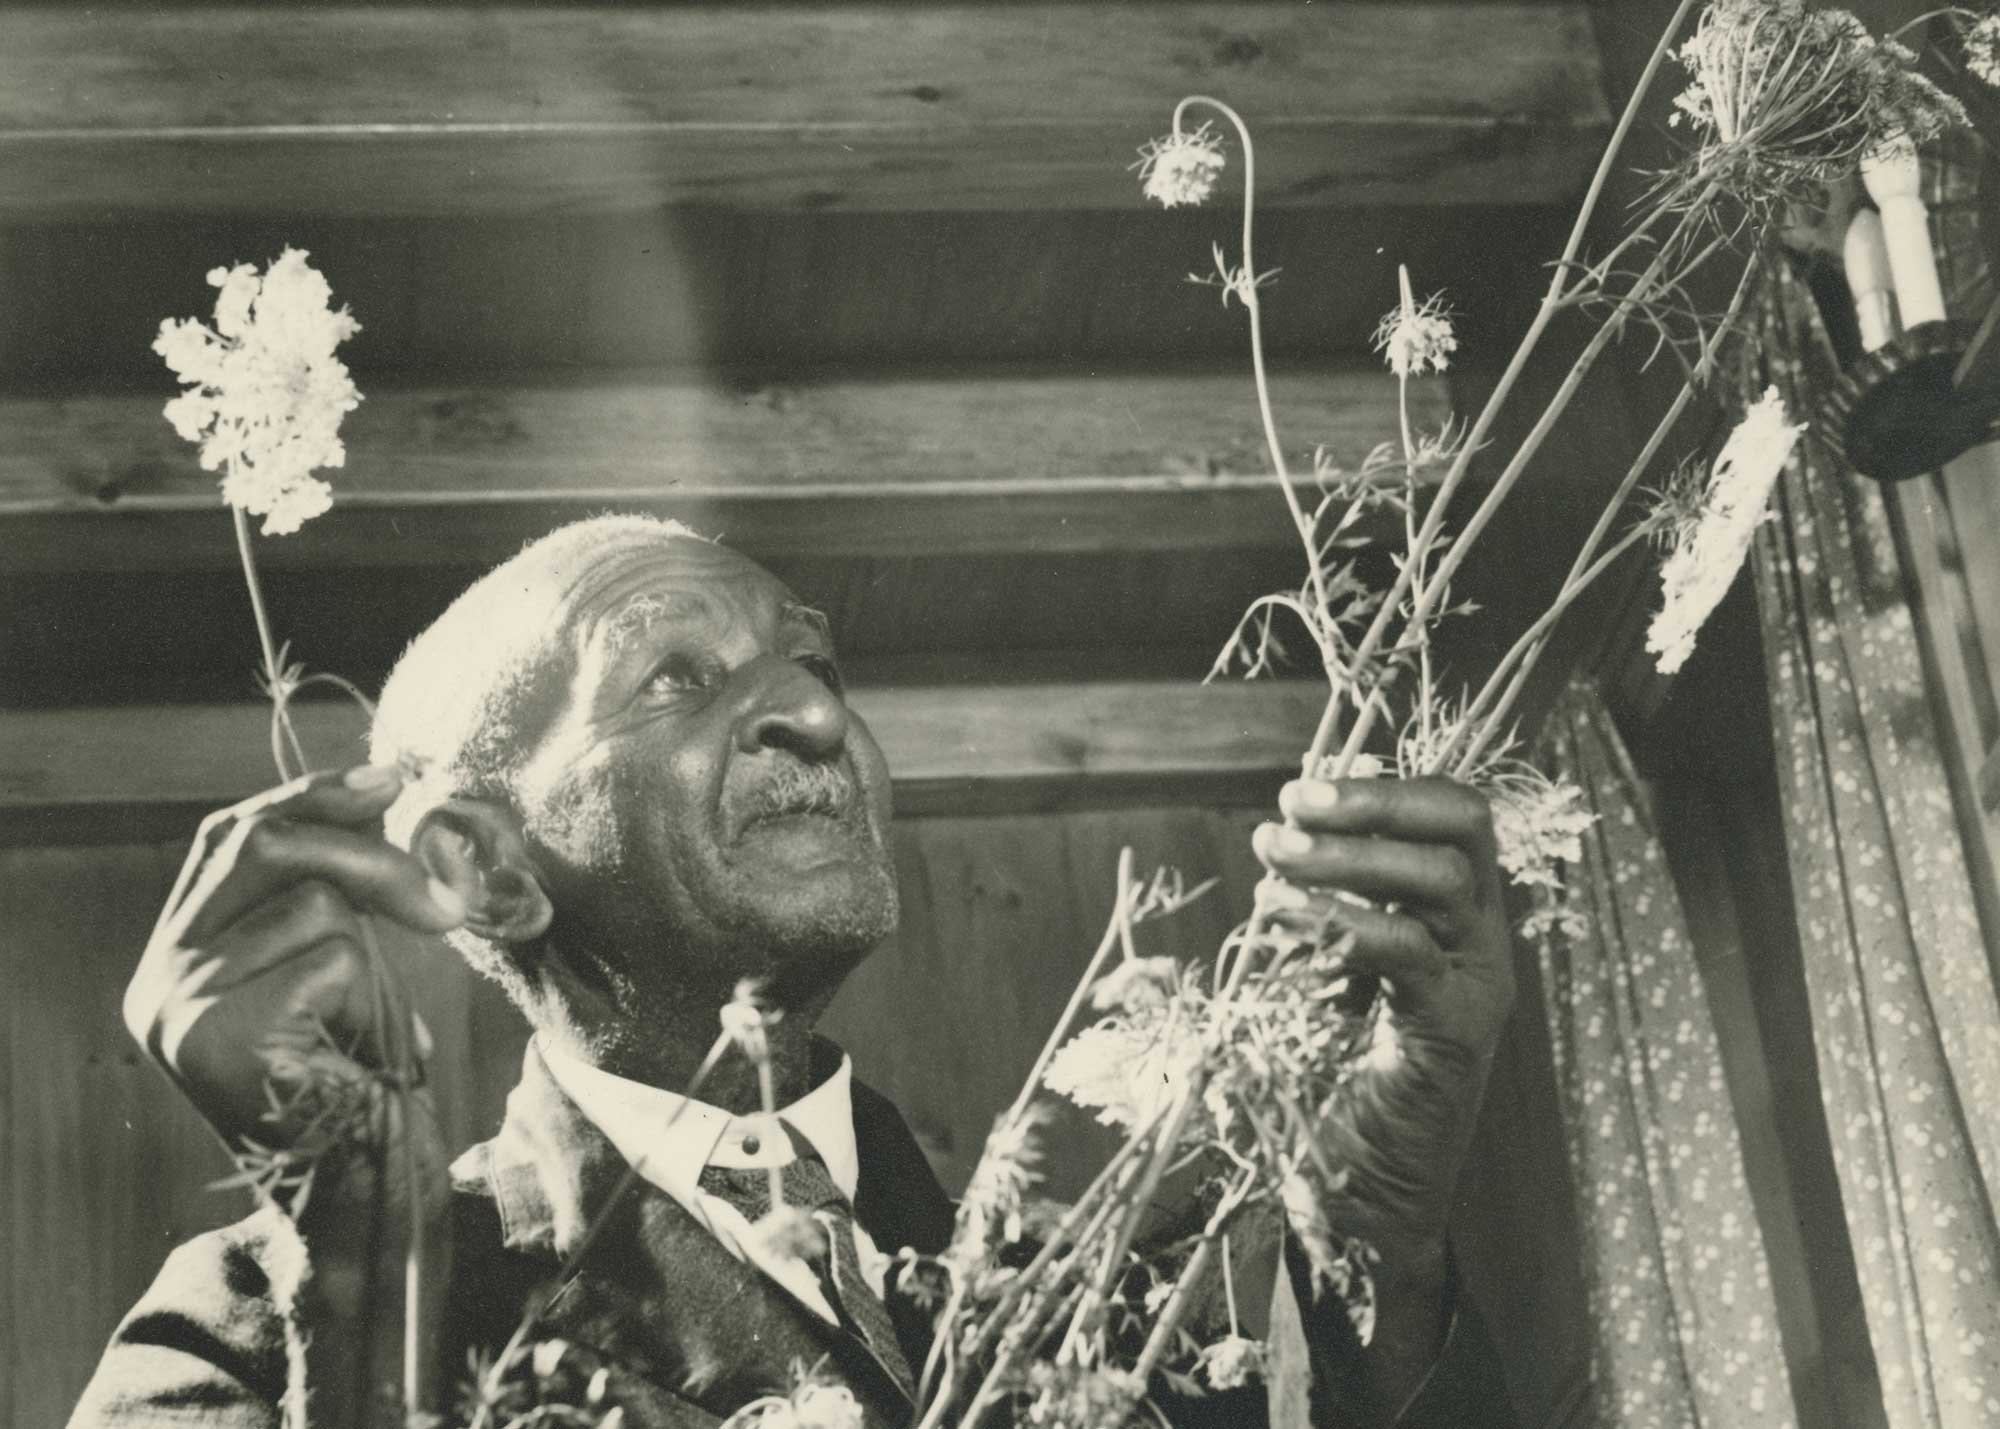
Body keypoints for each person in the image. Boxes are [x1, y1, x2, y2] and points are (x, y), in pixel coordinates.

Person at [72, 515, 1520, 1428]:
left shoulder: (1119, 1312)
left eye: (814, 665)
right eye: (675, 678)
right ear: (491, 866)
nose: (816, 718)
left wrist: (1378, 1234)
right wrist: (362, 1271)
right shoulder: (264, 1317)